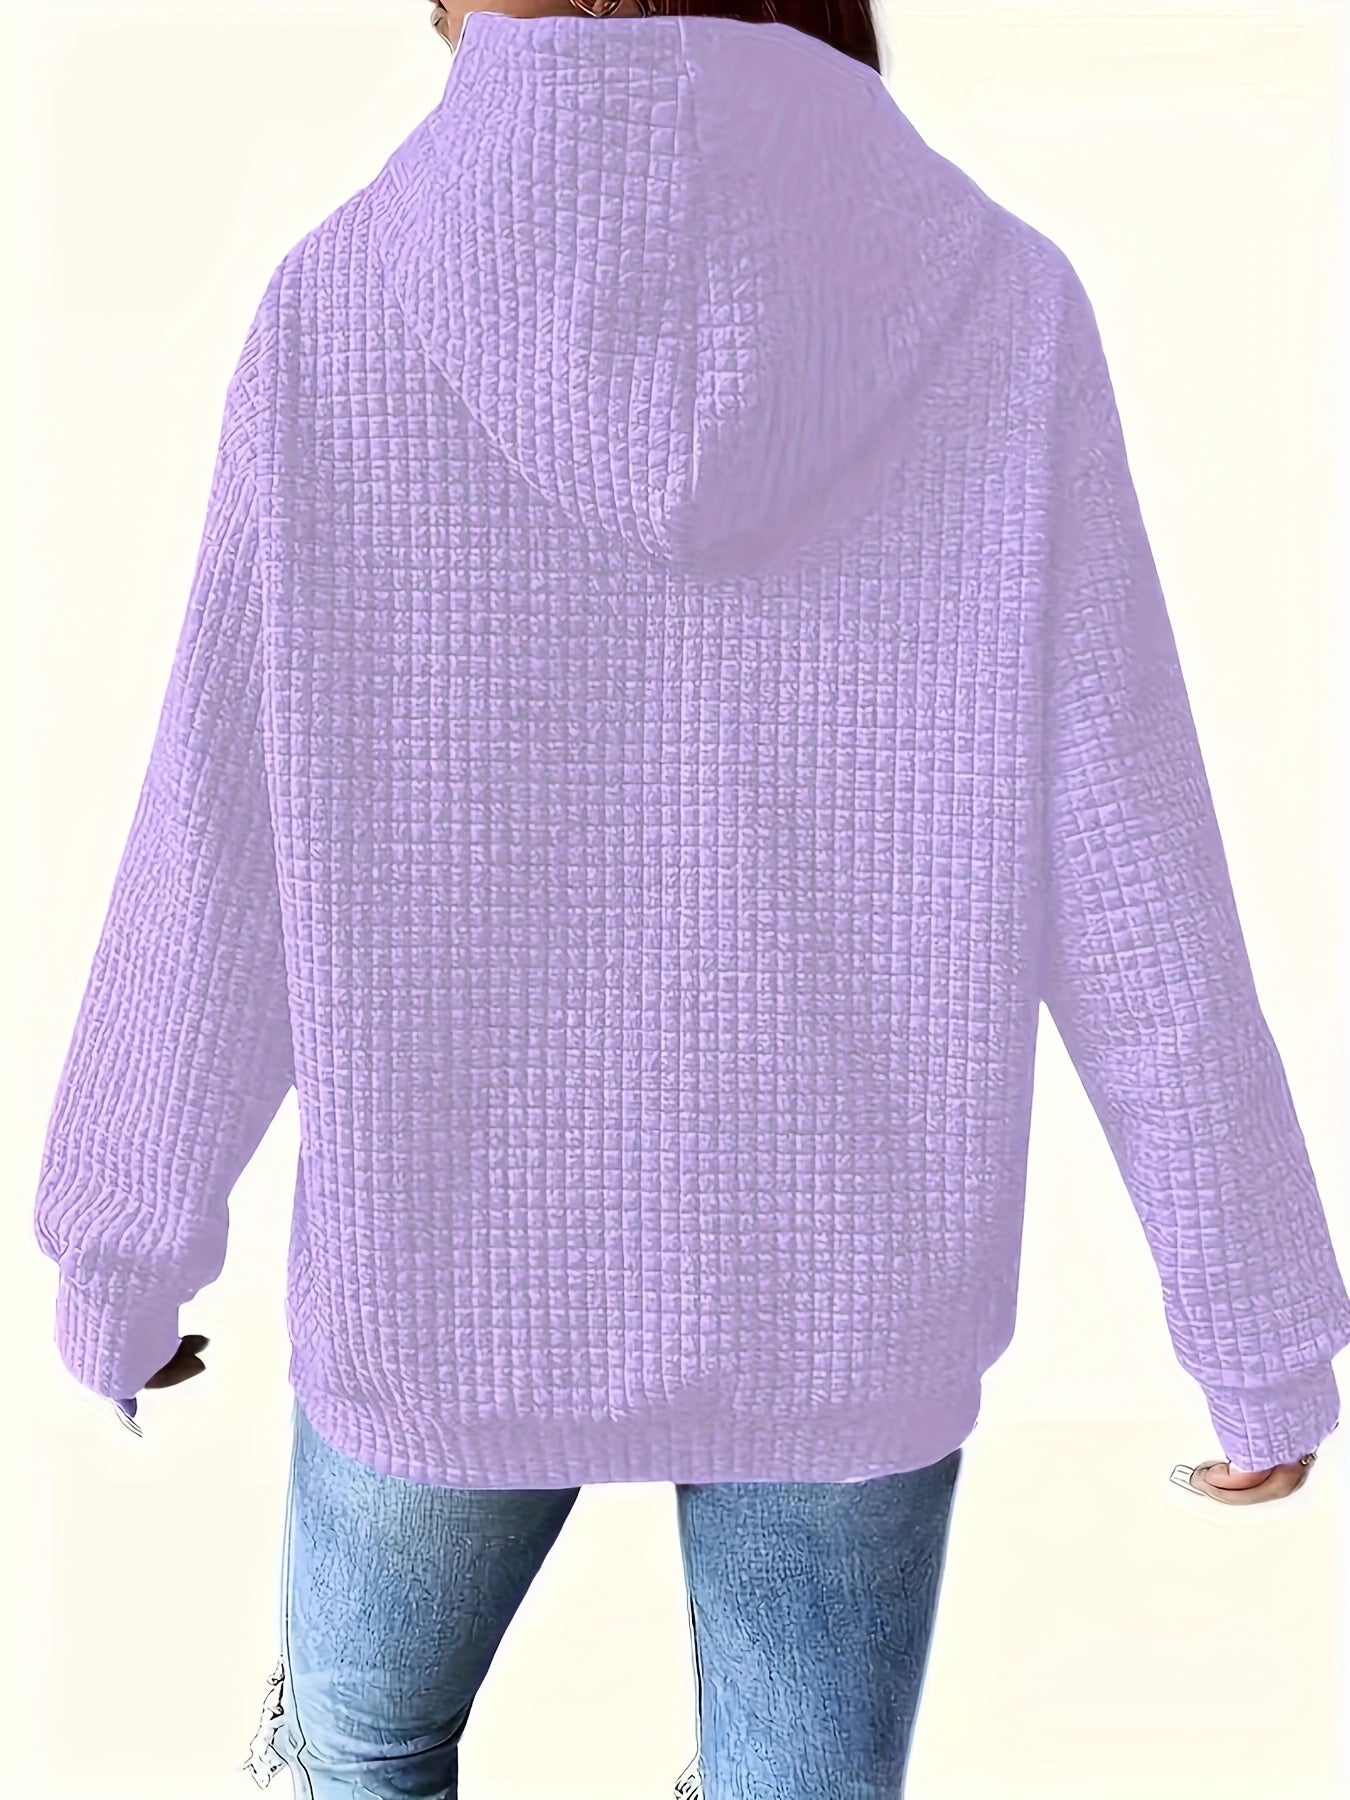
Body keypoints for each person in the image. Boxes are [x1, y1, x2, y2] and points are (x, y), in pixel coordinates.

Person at [33, 1, 1350, 1795]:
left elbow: (216, 835)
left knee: (361, 1751)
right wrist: (1254, 1323)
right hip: (850, 1302)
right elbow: (1133, 874)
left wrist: (122, 1245)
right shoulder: (999, 308)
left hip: (441, 1288)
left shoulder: (339, 307)